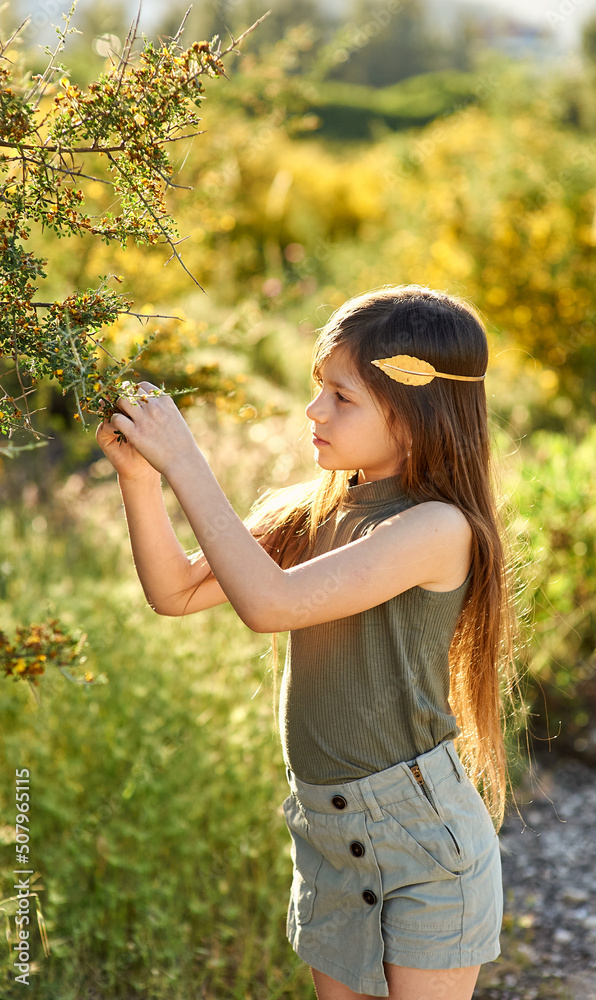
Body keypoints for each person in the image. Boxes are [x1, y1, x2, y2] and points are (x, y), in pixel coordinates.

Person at [96, 284, 515, 1000]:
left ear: (414, 416)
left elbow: (271, 604)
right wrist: (141, 476)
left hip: (419, 838)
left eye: (341, 397)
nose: (314, 411)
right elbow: (173, 592)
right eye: (317, 388)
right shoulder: (312, 510)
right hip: (326, 832)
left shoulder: (435, 529)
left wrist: (185, 461)